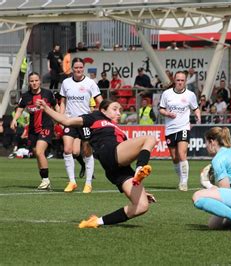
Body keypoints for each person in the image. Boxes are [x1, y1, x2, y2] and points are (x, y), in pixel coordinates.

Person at [37, 98, 157, 228]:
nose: (118, 113)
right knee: (150, 138)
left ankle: (96, 221)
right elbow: (65, 121)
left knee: (142, 206)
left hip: (116, 169)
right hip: (110, 152)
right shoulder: (95, 117)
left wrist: (140, 192)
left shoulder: (119, 129)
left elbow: (126, 159)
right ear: (103, 110)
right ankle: (140, 168)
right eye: (114, 109)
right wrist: (46, 108)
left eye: (120, 110)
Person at [60, 57, 103, 193]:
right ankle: (72, 182)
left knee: (86, 151)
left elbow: (100, 101)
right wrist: (61, 118)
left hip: (85, 121)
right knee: (67, 150)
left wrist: (101, 115)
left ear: (83, 68)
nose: (78, 70)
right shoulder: (66, 83)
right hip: (70, 121)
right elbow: (62, 102)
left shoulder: (90, 83)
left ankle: (88, 183)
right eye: (76, 67)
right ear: (72, 68)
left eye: (80, 68)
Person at [10, 72, 59, 190]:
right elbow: (20, 109)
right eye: (31, 81)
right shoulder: (26, 96)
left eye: (36, 80)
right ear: (29, 82)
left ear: (40, 81)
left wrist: (60, 118)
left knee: (39, 151)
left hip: (46, 127)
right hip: (33, 130)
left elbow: (56, 106)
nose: (34, 83)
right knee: (37, 154)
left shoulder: (47, 94)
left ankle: (46, 180)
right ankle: (44, 180)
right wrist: (14, 120)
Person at [159, 71, 201, 191]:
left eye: (182, 80)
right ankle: (181, 178)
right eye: (178, 80)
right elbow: (161, 109)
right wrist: (167, 113)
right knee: (174, 157)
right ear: (174, 80)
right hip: (170, 129)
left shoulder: (190, 95)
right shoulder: (167, 94)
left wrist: (198, 115)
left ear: (185, 81)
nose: (180, 83)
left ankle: (184, 182)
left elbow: (196, 108)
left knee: (182, 154)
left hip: (183, 127)